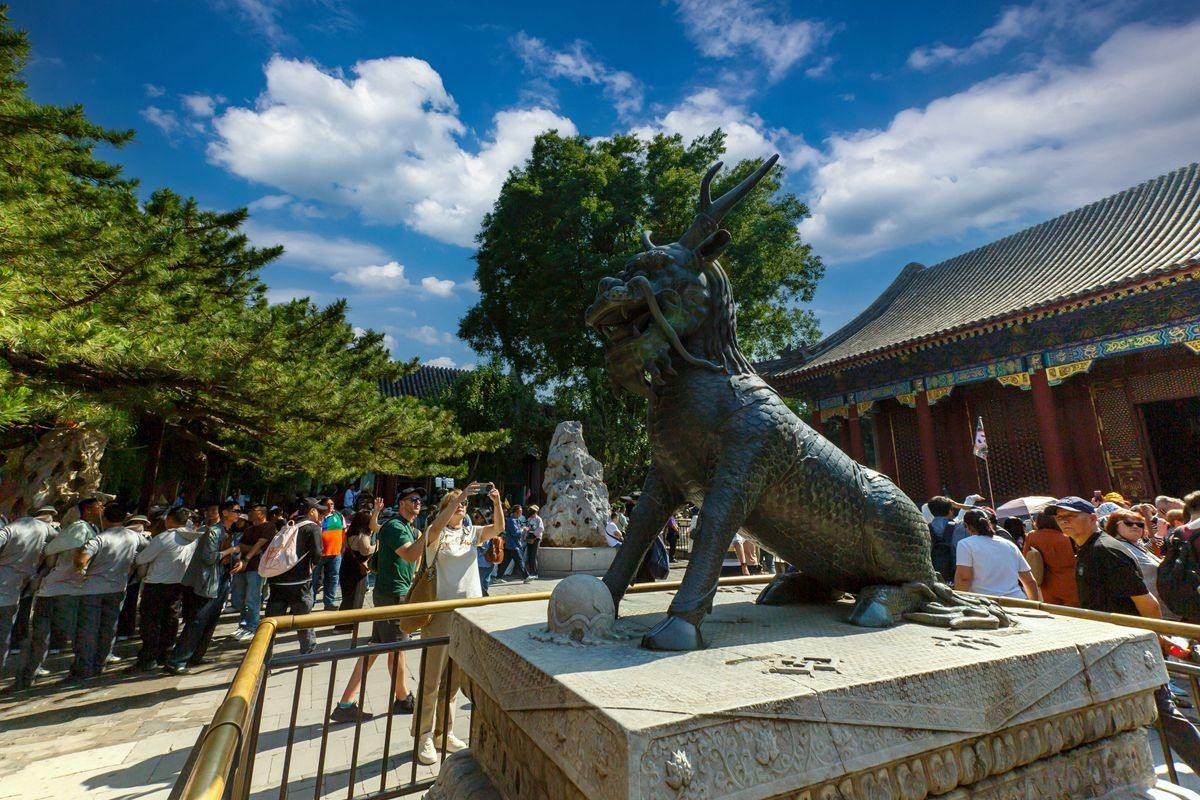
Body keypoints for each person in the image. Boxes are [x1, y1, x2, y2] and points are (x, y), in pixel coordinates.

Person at [1052, 494, 1200, 775]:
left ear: (1094, 518)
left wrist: (1154, 640)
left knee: (1166, 717)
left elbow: (1148, 603)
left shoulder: (1105, 551)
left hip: (1130, 648)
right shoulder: (1087, 550)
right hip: (1112, 648)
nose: (1065, 522)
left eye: (1071, 516)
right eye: (1060, 517)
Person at [410, 484, 504, 765]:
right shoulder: (434, 535)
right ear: (445, 509)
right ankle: (423, 735)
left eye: (464, 504)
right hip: (440, 612)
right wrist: (457, 498)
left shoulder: (470, 533)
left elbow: (497, 528)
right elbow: (437, 528)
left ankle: (443, 731)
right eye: (456, 504)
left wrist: (497, 502)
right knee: (431, 679)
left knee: (453, 679)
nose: (462, 507)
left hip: (468, 613)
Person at [330, 488, 423, 723]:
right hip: (393, 595)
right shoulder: (396, 527)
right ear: (402, 503)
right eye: (413, 499)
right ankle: (402, 698)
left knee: (377, 647)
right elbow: (410, 555)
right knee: (397, 647)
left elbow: (377, 530)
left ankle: (346, 702)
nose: (418, 503)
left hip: (393, 593)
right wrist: (433, 533)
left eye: (420, 500)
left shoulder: (408, 528)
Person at [15, 497, 103, 689]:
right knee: (53, 632)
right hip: (62, 588)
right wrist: (81, 560)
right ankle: (29, 674)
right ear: (88, 509)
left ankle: (28, 674)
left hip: (62, 588)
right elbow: (52, 549)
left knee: (44, 633)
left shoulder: (90, 528)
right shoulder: (80, 528)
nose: (102, 509)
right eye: (99, 506)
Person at [165, 502, 240, 674]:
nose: (238, 514)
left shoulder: (227, 532)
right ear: (225, 513)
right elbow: (208, 558)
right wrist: (230, 551)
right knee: (198, 620)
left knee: (211, 619)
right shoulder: (213, 531)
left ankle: (196, 655)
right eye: (236, 511)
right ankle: (177, 660)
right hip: (209, 581)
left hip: (221, 579)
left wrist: (237, 559)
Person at [72, 501, 144, 679]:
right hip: (118, 587)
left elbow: (82, 560)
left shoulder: (100, 538)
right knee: (108, 628)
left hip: (92, 588)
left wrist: (78, 564)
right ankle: (100, 664)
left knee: (88, 629)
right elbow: (146, 553)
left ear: (105, 518)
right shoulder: (134, 537)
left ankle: (84, 668)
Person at [132, 506, 197, 671]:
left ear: (169, 519)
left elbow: (141, 559)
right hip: (177, 583)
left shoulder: (164, 538)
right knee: (170, 619)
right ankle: (165, 653)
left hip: (156, 584)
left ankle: (148, 657)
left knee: (150, 622)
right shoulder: (192, 538)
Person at [264, 498, 324, 656]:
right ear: (311, 511)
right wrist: (312, 566)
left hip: (277, 581)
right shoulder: (312, 528)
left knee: (271, 625)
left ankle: (263, 658)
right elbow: (317, 553)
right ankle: (307, 653)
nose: (320, 514)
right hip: (300, 582)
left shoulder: (287, 526)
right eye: (318, 510)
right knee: (303, 621)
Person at [0, 512, 55, 671]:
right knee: (4, 632)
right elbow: (56, 547)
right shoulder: (45, 530)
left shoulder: (10, 529)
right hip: (17, 588)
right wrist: (42, 572)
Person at [953, 509, 1040, 600]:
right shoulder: (1009, 544)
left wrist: (960, 601)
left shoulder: (965, 544)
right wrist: (1034, 606)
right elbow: (1029, 581)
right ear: (988, 523)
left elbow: (964, 577)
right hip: (1016, 601)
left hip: (986, 603)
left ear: (966, 526)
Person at [233, 503, 274, 640]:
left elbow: (259, 545)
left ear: (262, 513)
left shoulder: (269, 526)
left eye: (253, 510)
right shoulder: (249, 529)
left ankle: (252, 626)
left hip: (256, 567)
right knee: (239, 598)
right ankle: (243, 625)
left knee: (252, 597)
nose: (250, 513)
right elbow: (240, 546)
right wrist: (245, 553)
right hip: (241, 567)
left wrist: (246, 557)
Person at [337, 498, 384, 615]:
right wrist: (377, 546)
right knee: (356, 597)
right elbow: (365, 550)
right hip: (357, 570)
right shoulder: (362, 535)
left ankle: (342, 623)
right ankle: (349, 623)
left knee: (347, 597)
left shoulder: (350, 533)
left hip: (347, 566)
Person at [1022, 511, 1078, 607]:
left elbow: (1025, 557)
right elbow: (1071, 561)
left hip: (1045, 583)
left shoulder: (1032, 536)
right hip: (1069, 583)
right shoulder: (1065, 537)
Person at [312, 496, 344, 611]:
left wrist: (343, 548)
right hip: (319, 554)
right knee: (314, 579)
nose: (331, 506)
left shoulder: (339, 516)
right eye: (328, 504)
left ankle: (329, 602)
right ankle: (310, 602)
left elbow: (343, 532)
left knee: (333, 578)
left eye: (332, 504)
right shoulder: (318, 518)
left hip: (335, 553)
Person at [496, 505, 530, 583]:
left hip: (512, 544)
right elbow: (515, 533)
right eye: (520, 511)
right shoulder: (511, 520)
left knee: (505, 562)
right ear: (516, 511)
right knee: (519, 561)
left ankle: (498, 577)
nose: (521, 512)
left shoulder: (516, 520)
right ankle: (526, 577)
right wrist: (523, 530)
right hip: (513, 545)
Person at [524, 504, 543, 578]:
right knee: (529, 554)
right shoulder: (529, 519)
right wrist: (526, 535)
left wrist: (535, 535)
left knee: (533, 555)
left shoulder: (538, 519)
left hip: (536, 538)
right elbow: (527, 528)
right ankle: (531, 570)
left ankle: (535, 572)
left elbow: (541, 529)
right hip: (529, 537)